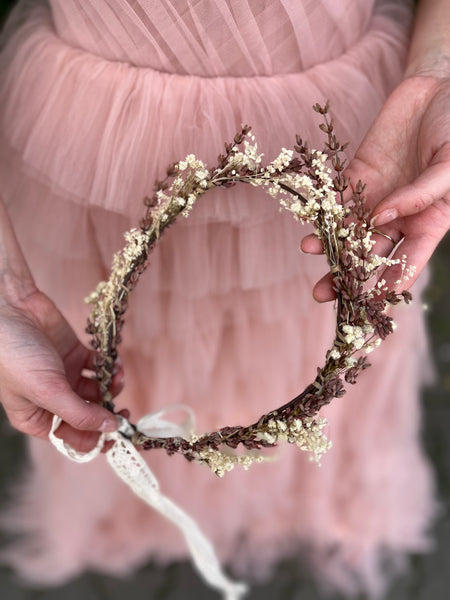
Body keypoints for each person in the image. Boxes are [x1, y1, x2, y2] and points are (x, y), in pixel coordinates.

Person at [0, 0, 448, 596]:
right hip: (95, 139)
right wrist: (6, 289)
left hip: (358, 123)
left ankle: (303, 503)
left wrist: (439, 71)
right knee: (113, 355)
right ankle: (133, 513)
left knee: (310, 327)